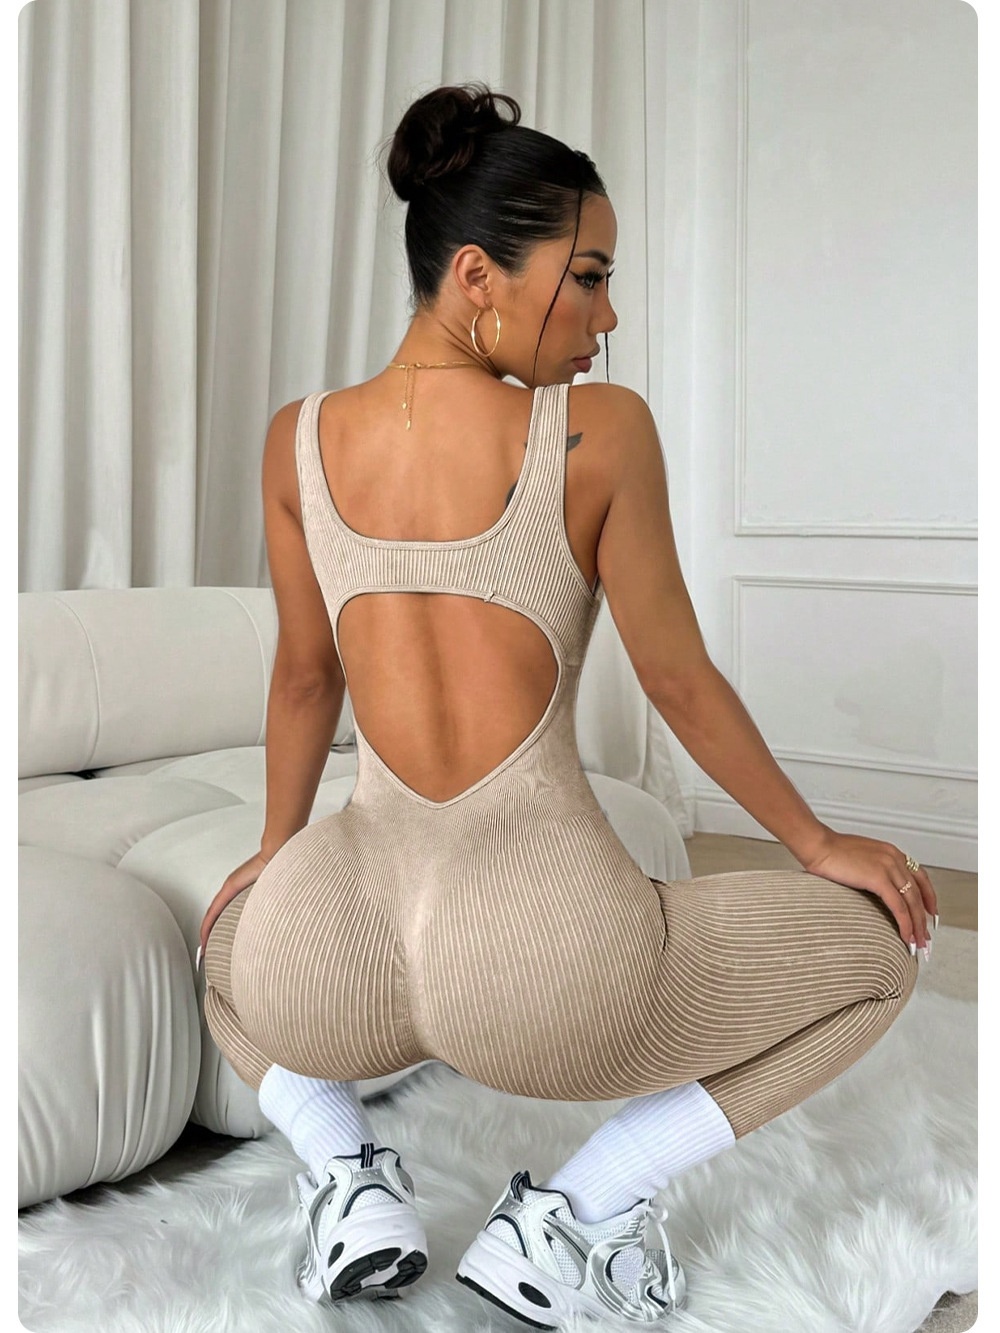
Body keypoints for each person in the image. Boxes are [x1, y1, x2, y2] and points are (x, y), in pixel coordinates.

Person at [198, 84, 936, 1328]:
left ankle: (347, 1176)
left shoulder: (296, 437)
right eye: (586, 277)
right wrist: (815, 844)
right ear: (476, 274)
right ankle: (579, 1213)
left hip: (346, 935)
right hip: (544, 959)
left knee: (227, 946)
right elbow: (677, 679)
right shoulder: (599, 433)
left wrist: (276, 858)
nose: (607, 316)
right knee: (879, 953)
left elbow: (303, 676)